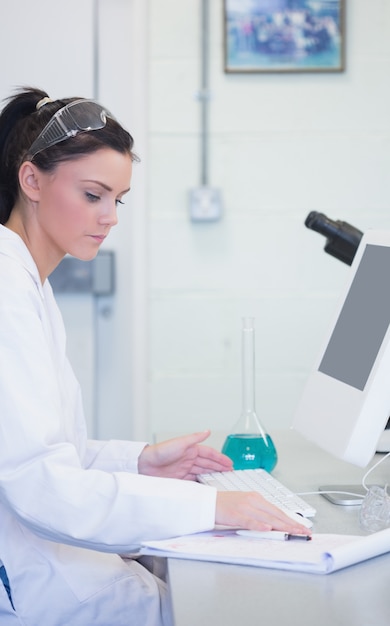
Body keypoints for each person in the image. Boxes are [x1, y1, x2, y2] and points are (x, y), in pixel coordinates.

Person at [0, 87, 310, 626]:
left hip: (56, 563)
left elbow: (41, 452)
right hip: (39, 587)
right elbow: (38, 484)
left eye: (117, 199)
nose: (110, 216)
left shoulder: (29, 282)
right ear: (31, 180)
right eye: (93, 194)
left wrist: (140, 461)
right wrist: (213, 508)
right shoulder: (6, 289)